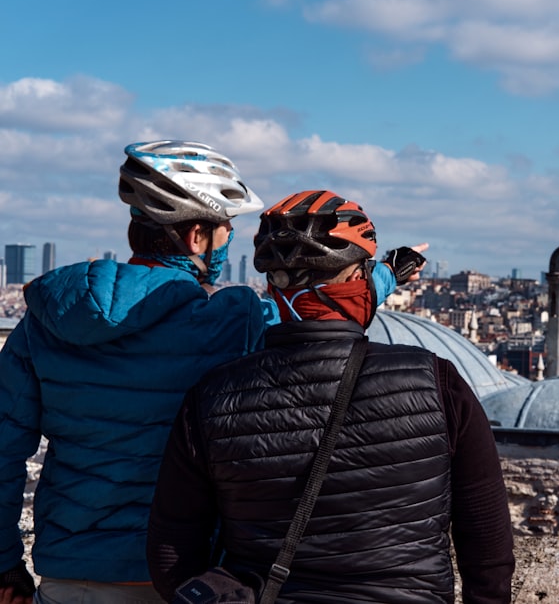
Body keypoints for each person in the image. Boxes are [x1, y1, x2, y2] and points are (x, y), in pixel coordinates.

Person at [0, 142, 418, 604]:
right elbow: (315, 318)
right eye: (227, 229)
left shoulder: (45, 317)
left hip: (73, 572)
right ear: (196, 237)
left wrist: (2, 565)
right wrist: (386, 276)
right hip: (188, 573)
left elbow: (3, 453)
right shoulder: (230, 320)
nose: (228, 240)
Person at [146, 190, 515, 603]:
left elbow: (172, 552)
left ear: (272, 285)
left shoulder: (213, 397)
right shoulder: (436, 382)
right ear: (359, 282)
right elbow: (488, 547)